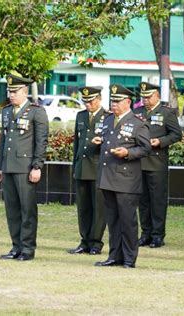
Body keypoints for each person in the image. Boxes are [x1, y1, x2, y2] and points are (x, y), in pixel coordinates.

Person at [93, 84, 151, 268]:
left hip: (126, 180)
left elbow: (145, 148)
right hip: (108, 176)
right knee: (113, 220)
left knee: (127, 220)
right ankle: (114, 256)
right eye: (112, 100)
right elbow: (109, 140)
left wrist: (127, 152)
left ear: (128, 102)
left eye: (118, 101)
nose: (114, 104)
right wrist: (99, 142)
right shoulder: (109, 120)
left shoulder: (137, 123)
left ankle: (128, 258)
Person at [0, 74, 49, 261]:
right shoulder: (6, 111)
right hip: (9, 166)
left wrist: (37, 166)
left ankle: (27, 248)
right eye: (9, 91)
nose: (11, 94)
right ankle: (15, 246)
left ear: (25, 92)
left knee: (27, 210)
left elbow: (41, 142)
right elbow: (3, 141)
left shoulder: (36, 111)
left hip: (25, 167)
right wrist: (0, 166)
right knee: (12, 210)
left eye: (15, 91)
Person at [134, 82, 182, 248]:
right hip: (139, 163)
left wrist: (160, 141)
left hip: (156, 163)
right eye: (143, 97)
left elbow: (176, 134)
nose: (146, 100)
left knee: (158, 201)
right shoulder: (137, 112)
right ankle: (145, 233)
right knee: (143, 201)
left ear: (158, 96)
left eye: (149, 97)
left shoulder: (166, 113)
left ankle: (157, 235)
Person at [68, 86, 109, 255]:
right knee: (83, 208)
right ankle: (84, 240)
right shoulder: (81, 116)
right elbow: (77, 144)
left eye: (91, 101)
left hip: (98, 168)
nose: (88, 105)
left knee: (98, 208)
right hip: (82, 167)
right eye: (85, 101)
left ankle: (95, 242)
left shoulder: (108, 117)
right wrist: (75, 166)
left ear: (99, 99)